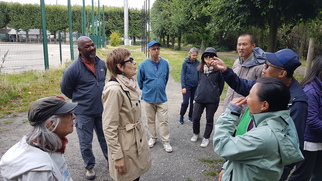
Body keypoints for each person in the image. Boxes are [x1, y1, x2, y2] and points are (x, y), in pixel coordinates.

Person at [212, 48, 308, 180]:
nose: (263, 67)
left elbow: (289, 147)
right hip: (243, 154)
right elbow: (243, 85)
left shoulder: (297, 102)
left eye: (268, 65)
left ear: (282, 73)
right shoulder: (265, 87)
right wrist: (225, 70)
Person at [60, 36, 108, 180]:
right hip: (83, 113)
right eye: (87, 46)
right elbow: (65, 89)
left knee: (106, 138)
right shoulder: (73, 69)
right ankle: (89, 167)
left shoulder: (101, 64)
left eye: (92, 45)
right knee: (85, 143)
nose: (92, 48)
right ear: (80, 50)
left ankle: (111, 161)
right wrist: (82, 100)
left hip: (101, 110)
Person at [0, 96, 77, 181]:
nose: (74, 117)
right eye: (68, 114)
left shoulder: (50, 145)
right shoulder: (38, 170)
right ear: (51, 124)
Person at [102, 48, 151, 181]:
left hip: (135, 143)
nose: (135, 63)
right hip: (124, 146)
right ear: (120, 67)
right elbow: (109, 127)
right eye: (130, 60)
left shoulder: (129, 84)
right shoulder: (114, 90)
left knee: (135, 176)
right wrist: (117, 157)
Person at [287, 56, 322, 181]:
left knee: (318, 175)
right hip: (309, 142)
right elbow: (311, 120)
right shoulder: (311, 91)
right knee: (302, 175)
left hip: (319, 140)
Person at [137, 41, 173, 153]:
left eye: (158, 48)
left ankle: (166, 142)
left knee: (164, 121)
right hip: (148, 98)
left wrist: (159, 87)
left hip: (161, 98)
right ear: (149, 50)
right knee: (150, 120)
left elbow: (165, 78)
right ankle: (153, 137)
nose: (156, 51)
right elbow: (140, 81)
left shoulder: (165, 63)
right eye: (153, 49)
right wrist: (149, 89)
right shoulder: (143, 65)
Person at [222, 33, 266, 113]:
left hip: (245, 112)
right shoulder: (237, 62)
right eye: (239, 44)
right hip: (229, 108)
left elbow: (261, 93)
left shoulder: (260, 68)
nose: (241, 48)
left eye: (244, 44)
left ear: (253, 46)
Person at [190, 47, 224, 147]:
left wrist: (216, 94)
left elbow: (221, 86)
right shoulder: (200, 70)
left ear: (215, 58)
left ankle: (206, 137)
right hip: (199, 98)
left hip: (212, 100)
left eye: (211, 56)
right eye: (206, 56)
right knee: (195, 117)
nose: (208, 58)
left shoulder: (219, 71)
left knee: (209, 119)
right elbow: (198, 82)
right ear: (203, 58)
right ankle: (196, 133)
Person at [179, 47, 200, 124]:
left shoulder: (198, 63)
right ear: (190, 55)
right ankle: (181, 115)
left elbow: (200, 75)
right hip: (187, 86)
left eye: (196, 55)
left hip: (195, 86)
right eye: (193, 55)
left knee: (193, 102)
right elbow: (182, 75)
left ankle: (190, 116)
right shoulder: (185, 63)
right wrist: (183, 87)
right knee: (185, 102)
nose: (194, 57)